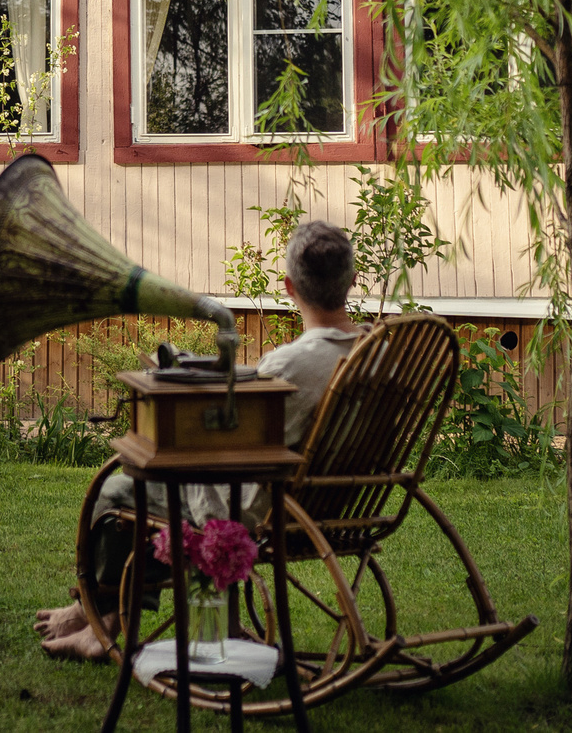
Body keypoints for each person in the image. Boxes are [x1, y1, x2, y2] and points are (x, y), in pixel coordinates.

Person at [34, 221, 362, 660]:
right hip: (337, 503)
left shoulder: (291, 362)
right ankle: (87, 610)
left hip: (262, 506)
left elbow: (229, 432)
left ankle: (105, 621)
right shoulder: (373, 350)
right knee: (136, 487)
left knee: (117, 491)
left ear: (288, 287)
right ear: (352, 282)